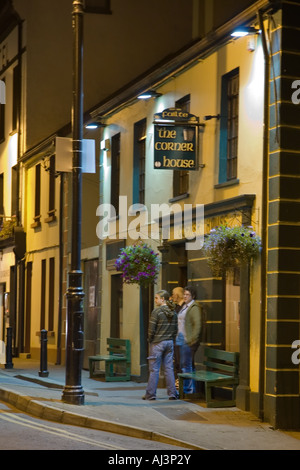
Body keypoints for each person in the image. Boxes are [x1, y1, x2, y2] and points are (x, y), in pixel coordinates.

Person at [143, 290, 178, 400]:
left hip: (158, 343)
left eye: (156, 297)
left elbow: (151, 329)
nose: (155, 300)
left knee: (154, 369)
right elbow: (176, 329)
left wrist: (150, 340)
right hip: (169, 342)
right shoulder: (174, 312)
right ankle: (172, 394)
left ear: (162, 299)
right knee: (169, 369)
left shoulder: (156, 312)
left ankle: (150, 394)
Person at [176, 286, 202, 394]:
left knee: (187, 365)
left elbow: (197, 325)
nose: (185, 296)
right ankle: (186, 388)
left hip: (188, 340)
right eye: (184, 294)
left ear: (193, 296)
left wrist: (192, 340)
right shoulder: (185, 306)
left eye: (188, 295)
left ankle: (189, 390)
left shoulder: (194, 307)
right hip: (181, 339)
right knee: (183, 364)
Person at [171, 287, 185, 381]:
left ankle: (181, 386)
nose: (172, 296)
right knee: (176, 363)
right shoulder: (177, 306)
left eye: (173, 294)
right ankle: (178, 385)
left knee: (180, 363)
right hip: (176, 339)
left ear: (177, 295)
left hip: (182, 340)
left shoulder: (184, 307)